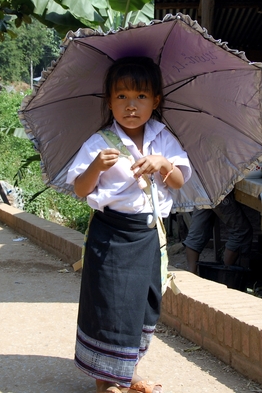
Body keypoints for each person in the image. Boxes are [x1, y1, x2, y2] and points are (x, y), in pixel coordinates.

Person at [67, 57, 191, 393]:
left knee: (141, 304)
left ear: (156, 101)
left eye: (140, 96)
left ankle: (127, 372)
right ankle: (105, 380)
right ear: (109, 101)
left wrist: (162, 163)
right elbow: (80, 189)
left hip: (147, 237)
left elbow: (178, 181)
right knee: (109, 306)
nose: (131, 106)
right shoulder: (99, 142)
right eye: (121, 97)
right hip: (110, 236)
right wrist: (94, 167)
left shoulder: (163, 139)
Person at [182, 190, 253, 274]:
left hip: (201, 188)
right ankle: (224, 275)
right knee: (241, 231)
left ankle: (192, 275)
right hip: (217, 188)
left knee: (196, 235)